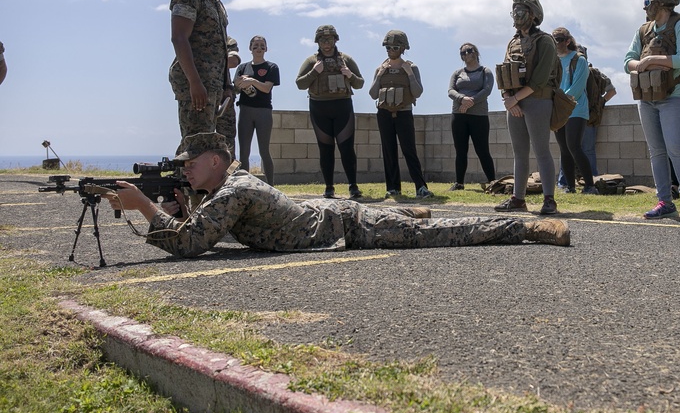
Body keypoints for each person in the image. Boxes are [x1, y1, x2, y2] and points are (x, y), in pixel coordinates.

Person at [101, 133, 570, 258]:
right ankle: (407, 210)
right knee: (409, 221)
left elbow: (189, 245)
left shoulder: (234, 190)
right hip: (323, 215)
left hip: (347, 226)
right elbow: (198, 232)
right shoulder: (221, 190)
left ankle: (525, 227)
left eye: (191, 162)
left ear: (217, 161)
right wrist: (173, 209)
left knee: (440, 234)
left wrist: (144, 208)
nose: (184, 169)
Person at [625, 0, 680, 223]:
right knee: (656, 151)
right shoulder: (643, 30)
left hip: (674, 97)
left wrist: (650, 61)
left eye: (648, 1)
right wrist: (638, 64)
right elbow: (628, 59)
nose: (645, 7)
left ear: (661, 2)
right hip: (647, 98)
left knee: (676, 148)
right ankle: (665, 201)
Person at [494, 0, 559, 215]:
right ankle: (518, 198)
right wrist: (508, 99)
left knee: (541, 150)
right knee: (519, 152)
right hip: (515, 103)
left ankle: (549, 199)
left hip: (537, 102)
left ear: (532, 14)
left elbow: (540, 79)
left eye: (521, 10)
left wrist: (514, 100)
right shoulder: (512, 43)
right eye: (514, 10)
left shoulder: (545, 41)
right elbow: (503, 75)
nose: (516, 14)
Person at [168, 0, 234, 155]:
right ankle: (181, 188)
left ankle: (204, 189)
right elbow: (179, 38)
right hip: (197, 84)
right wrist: (195, 82)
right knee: (195, 145)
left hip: (214, 84)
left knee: (213, 146)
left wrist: (227, 85)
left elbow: (221, 46)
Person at [296, 25, 365, 200]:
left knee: (346, 148)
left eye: (330, 39)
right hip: (319, 108)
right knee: (325, 149)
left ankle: (353, 186)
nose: (326, 43)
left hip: (343, 107)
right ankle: (329, 187)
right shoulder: (312, 61)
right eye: (322, 40)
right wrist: (314, 72)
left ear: (336, 40)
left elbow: (360, 83)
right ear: (318, 42)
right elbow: (300, 84)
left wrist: (349, 74)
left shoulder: (346, 59)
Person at [369, 30, 432, 199]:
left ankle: (421, 187)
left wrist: (409, 74)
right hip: (384, 114)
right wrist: (379, 75)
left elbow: (417, 92)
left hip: (404, 113)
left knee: (409, 150)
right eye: (388, 47)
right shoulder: (380, 69)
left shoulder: (411, 67)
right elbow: (373, 94)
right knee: (389, 151)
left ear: (403, 48)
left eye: (395, 47)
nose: (390, 50)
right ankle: (393, 188)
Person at [550, 27, 597, 195]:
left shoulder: (579, 59)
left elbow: (577, 87)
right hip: (558, 110)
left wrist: (560, 103)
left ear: (567, 41)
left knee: (574, 146)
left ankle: (590, 185)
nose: (555, 44)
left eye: (558, 40)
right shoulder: (553, 60)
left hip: (576, 109)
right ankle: (570, 186)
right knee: (564, 149)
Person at [447, 43, 497, 190]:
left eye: (469, 50)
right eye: (463, 52)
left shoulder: (485, 71)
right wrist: (462, 99)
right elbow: (450, 90)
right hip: (459, 115)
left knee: (482, 150)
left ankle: (493, 182)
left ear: (476, 52)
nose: (467, 54)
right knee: (460, 150)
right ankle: (459, 183)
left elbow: (487, 90)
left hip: (479, 115)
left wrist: (471, 102)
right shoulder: (457, 73)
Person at [235, 35, 280, 185]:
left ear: (266, 48)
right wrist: (242, 82)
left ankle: (271, 185)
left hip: (263, 112)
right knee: (244, 152)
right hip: (245, 111)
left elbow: (267, 88)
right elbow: (236, 85)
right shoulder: (242, 68)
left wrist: (252, 81)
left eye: (262, 46)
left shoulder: (271, 67)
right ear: (250, 48)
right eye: (255, 46)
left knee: (264, 151)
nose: (258, 48)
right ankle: (244, 185)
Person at [577, 44, 616, 178]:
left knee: (585, 150)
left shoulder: (594, 73)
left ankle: (590, 178)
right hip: (582, 116)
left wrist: (601, 102)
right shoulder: (569, 72)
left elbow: (612, 91)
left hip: (588, 116)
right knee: (580, 150)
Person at [215, 36, 241, 158]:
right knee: (197, 137)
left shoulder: (227, 40)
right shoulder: (192, 35)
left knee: (228, 141)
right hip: (199, 95)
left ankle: (229, 173)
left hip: (224, 98)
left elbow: (233, 61)